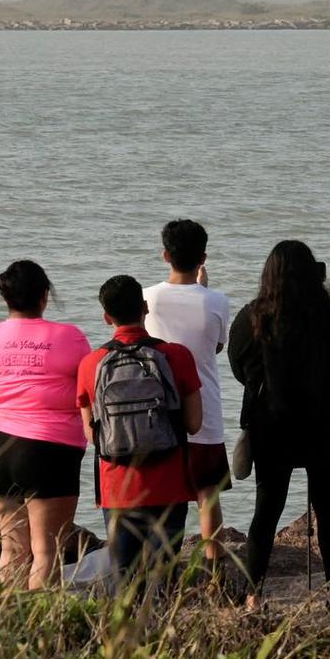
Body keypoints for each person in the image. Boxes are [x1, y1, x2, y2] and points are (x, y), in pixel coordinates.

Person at [227, 240, 330, 611]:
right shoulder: (329, 317)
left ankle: (254, 596)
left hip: (271, 428)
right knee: (328, 509)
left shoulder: (251, 318)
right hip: (324, 426)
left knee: (266, 511)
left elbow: (240, 370)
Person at [78, 275, 203, 590]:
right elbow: (194, 423)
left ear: (107, 317)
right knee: (163, 578)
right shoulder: (178, 355)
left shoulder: (91, 364)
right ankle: (163, 634)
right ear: (145, 307)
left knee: (124, 579)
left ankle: (125, 637)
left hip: (117, 486)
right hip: (169, 484)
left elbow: (93, 435)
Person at [0, 260, 91, 589]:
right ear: (44, 297)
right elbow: (89, 386)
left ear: (6, 299)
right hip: (49, 449)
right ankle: (38, 630)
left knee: (11, 548)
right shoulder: (69, 337)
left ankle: (7, 625)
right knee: (47, 552)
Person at [143, 219, 232, 565]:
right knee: (208, 496)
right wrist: (204, 289)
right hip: (205, 411)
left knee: (160, 497)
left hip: (157, 413)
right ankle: (215, 572)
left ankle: (157, 570)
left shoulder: (146, 296)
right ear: (203, 257)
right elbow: (217, 346)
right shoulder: (217, 301)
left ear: (165, 255)